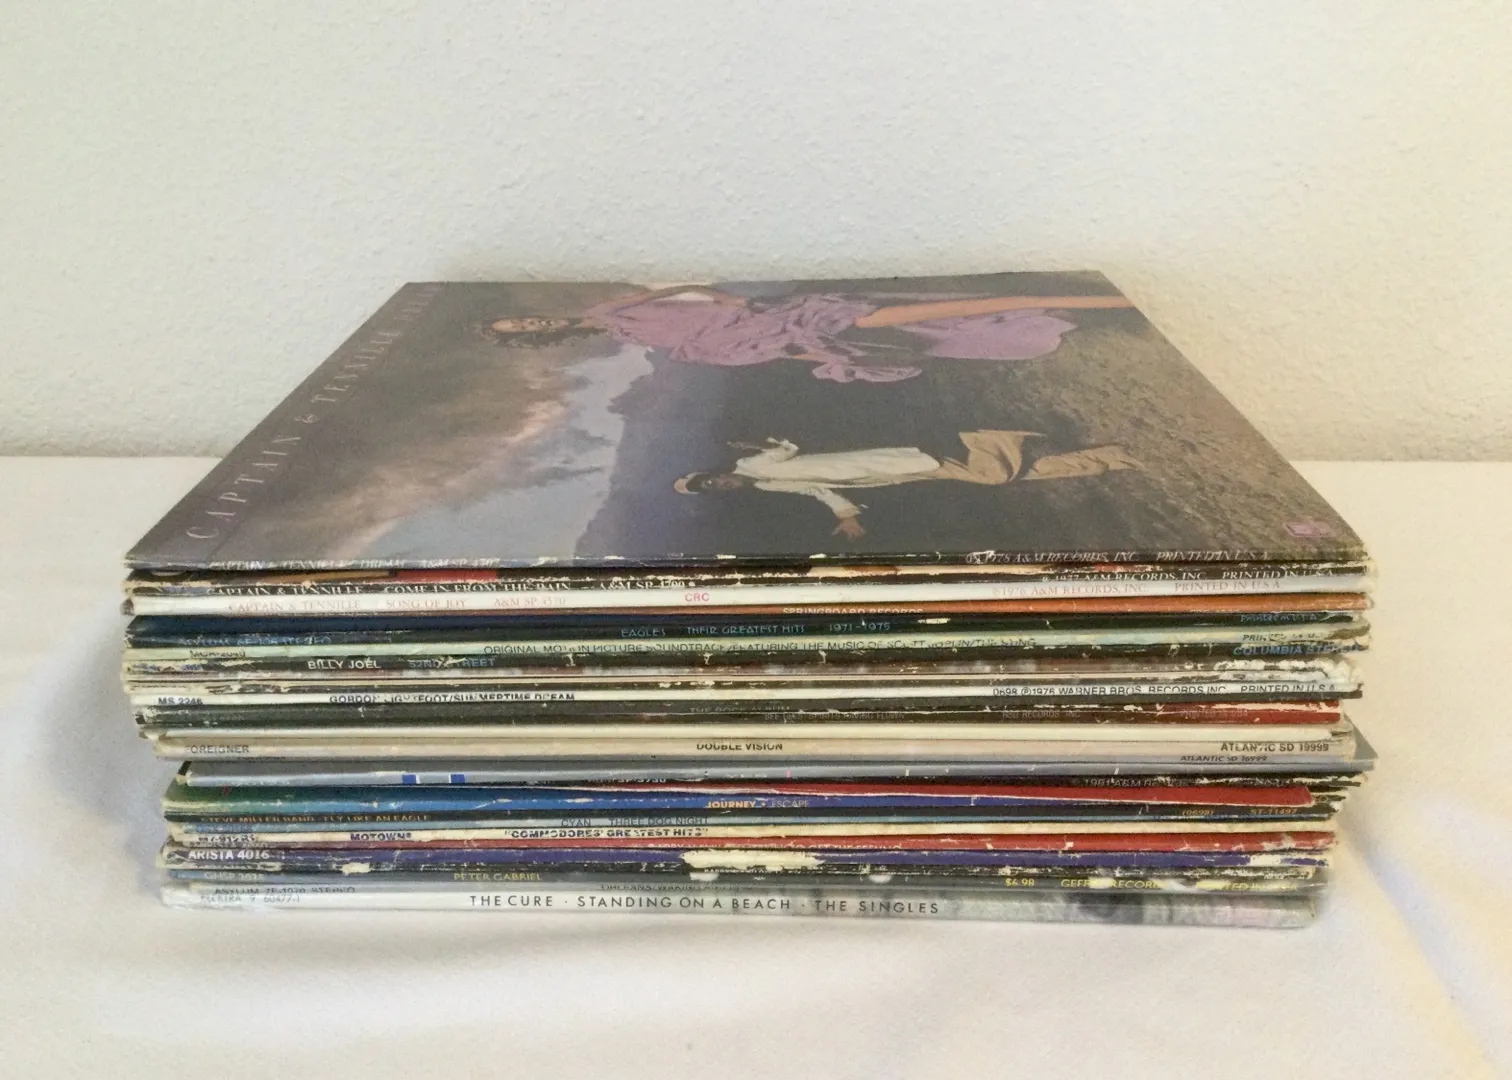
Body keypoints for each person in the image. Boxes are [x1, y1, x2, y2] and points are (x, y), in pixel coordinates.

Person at [481, 285, 1135, 383]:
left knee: (918, 313)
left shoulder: (609, 304)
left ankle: (1098, 299)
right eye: (525, 330)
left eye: (526, 316)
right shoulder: (619, 334)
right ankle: (1055, 319)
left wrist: (726, 300)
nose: (534, 323)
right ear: (535, 339)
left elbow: (682, 291)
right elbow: (688, 340)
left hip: (768, 316)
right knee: (932, 327)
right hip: (768, 333)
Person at [673, 433, 1141, 538]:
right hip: (890, 475)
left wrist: (759, 444)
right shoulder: (764, 488)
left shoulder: (751, 462)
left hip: (890, 458)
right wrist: (846, 515)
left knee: (992, 475)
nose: (721, 484)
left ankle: (989, 436)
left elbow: (787, 449)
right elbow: (817, 489)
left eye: (712, 479)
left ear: (717, 470)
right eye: (713, 489)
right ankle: (1109, 457)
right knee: (1013, 474)